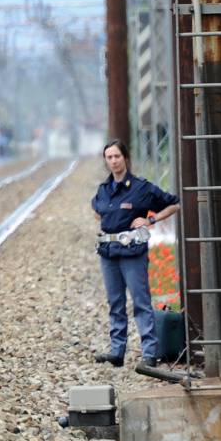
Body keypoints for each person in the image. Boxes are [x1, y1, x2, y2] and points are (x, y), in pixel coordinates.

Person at [91, 139, 180, 369]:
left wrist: (151, 219)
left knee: (141, 302)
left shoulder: (141, 188)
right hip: (108, 253)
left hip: (132, 254)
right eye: (109, 157)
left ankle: (150, 353)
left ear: (125, 158)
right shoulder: (103, 189)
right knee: (115, 303)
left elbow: (174, 204)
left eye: (117, 156)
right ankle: (117, 351)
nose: (113, 161)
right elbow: (97, 211)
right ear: (105, 161)